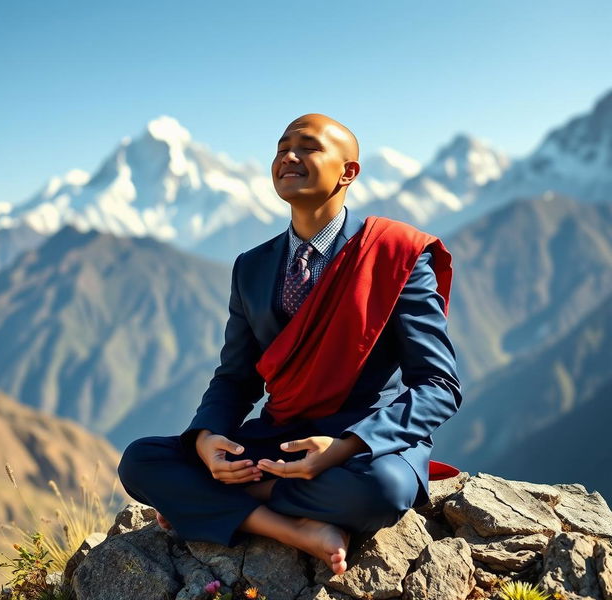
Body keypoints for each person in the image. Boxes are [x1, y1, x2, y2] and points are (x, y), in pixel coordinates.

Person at [117, 113, 462, 575]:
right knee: (141, 460)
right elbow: (236, 377)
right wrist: (206, 442)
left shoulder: (396, 255)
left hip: (361, 447)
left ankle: (212, 504)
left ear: (348, 172)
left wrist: (341, 448)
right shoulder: (252, 267)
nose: (288, 157)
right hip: (279, 438)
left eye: (308, 147)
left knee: (387, 490)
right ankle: (294, 528)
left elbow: (438, 384)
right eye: (281, 148)